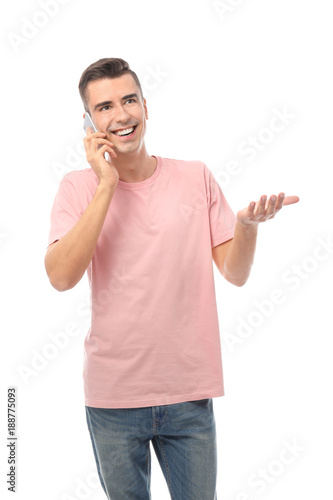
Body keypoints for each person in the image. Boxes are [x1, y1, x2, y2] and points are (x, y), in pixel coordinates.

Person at [44, 58, 299, 499]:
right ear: (88, 122)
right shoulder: (77, 187)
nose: (120, 115)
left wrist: (248, 228)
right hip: (114, 399)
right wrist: (106, 183)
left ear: (146, 105)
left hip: (189, 395)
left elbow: (234, 273)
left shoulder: (194, 176)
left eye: (128, 101)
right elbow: (61, 277)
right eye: (104, 107)